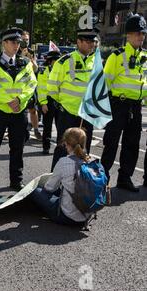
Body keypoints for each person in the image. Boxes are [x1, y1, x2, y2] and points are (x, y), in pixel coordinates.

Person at [0, 27, 37, 191]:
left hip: (18, 112)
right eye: (13, 42)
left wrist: (20, 100)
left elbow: (32, 84)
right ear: (4, 43)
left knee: (17, 148)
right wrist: (9, 101)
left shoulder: (25, 63)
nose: (17, 45)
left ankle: (16, 180)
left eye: (18, 42)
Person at [101, 14, 147, 192]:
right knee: (111, 142)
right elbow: (105, 83)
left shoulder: (145, 57)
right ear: (128, 35)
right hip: (118, 104)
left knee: (132, 144)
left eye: (142, 33)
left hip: (136, 106)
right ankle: (103, 178)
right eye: (137, 33)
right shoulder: (116, 56)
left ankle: (124, 178)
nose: (141, 37)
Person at [47, 27, 98, 171]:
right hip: (67, 114)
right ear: (78, 42)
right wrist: (66, 104)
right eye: (88, 41)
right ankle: (56, 182)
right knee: (63, 149)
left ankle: (79, 182)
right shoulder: (64, 62)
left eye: (93, 41)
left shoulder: (97, 62)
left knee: (83, 150)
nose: (91, 44)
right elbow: (52, 88)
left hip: (87, 114)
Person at [29, 128, 91, 227]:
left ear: (66, 143)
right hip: (85, 217)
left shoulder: (64, 162)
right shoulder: (91, 162)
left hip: (66, 216)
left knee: (34, 190)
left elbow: (50, 188)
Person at [37, 50, 61, 154]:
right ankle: (46, 147)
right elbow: (41, 88)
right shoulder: (43, 70)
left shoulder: (62, 69)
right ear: (50, 61)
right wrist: (43, 103)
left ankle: (60, 148)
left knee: (61, 127)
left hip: (60, 101)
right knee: (47, 126)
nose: (58, 62)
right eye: (56, 60)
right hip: (48, 101)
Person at [20, 31, 42, 140]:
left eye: (27, 40)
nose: (25, 42)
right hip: (19, 85)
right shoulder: (13, 50)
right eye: (24, 40)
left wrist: (31, 60)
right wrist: (22, 57)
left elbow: (36, 68)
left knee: (33, 109)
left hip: (30, 84)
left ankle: (36, 129)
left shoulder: (31, 52)